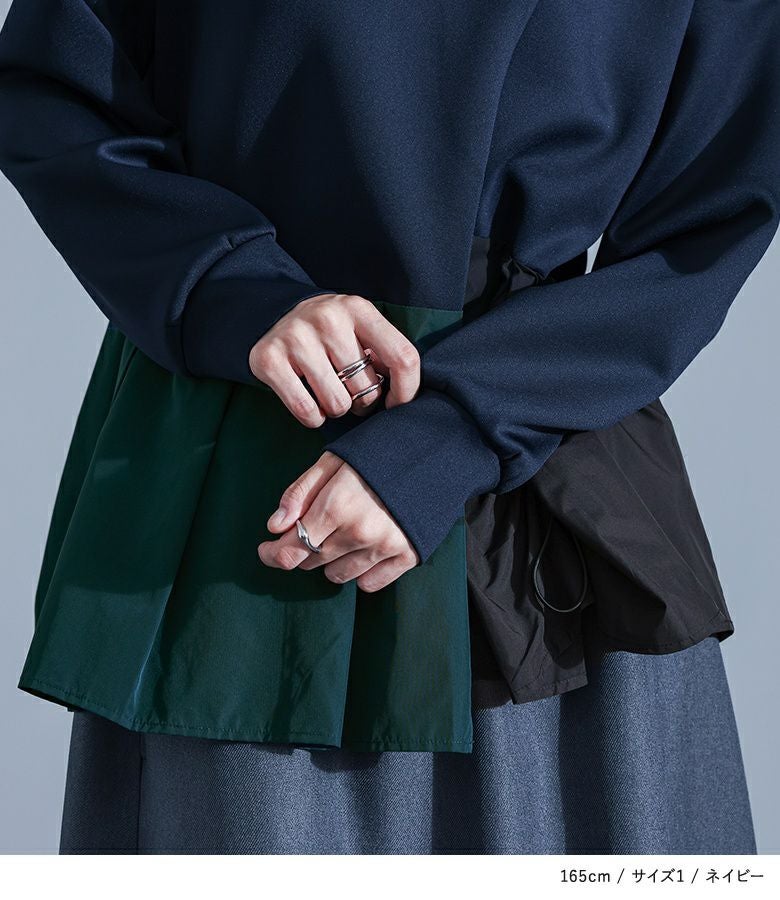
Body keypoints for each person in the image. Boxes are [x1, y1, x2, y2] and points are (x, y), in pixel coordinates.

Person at [0, 0, 777, 854]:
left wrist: (455, 430)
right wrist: (231, 287)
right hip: (249, 476)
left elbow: (712, 215)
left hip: (543, 480)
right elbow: (54, 83)